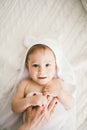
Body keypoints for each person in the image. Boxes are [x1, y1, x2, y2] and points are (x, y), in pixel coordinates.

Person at [11, 44, 74, 130]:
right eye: (35, 65)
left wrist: (60, 93)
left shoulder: (58, 83)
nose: (42, 70)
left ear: (55, 66)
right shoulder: (25, 84)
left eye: (47, 65)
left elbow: (70, 104)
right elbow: (14, 107)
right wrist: (29, 101)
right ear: (27, 67)